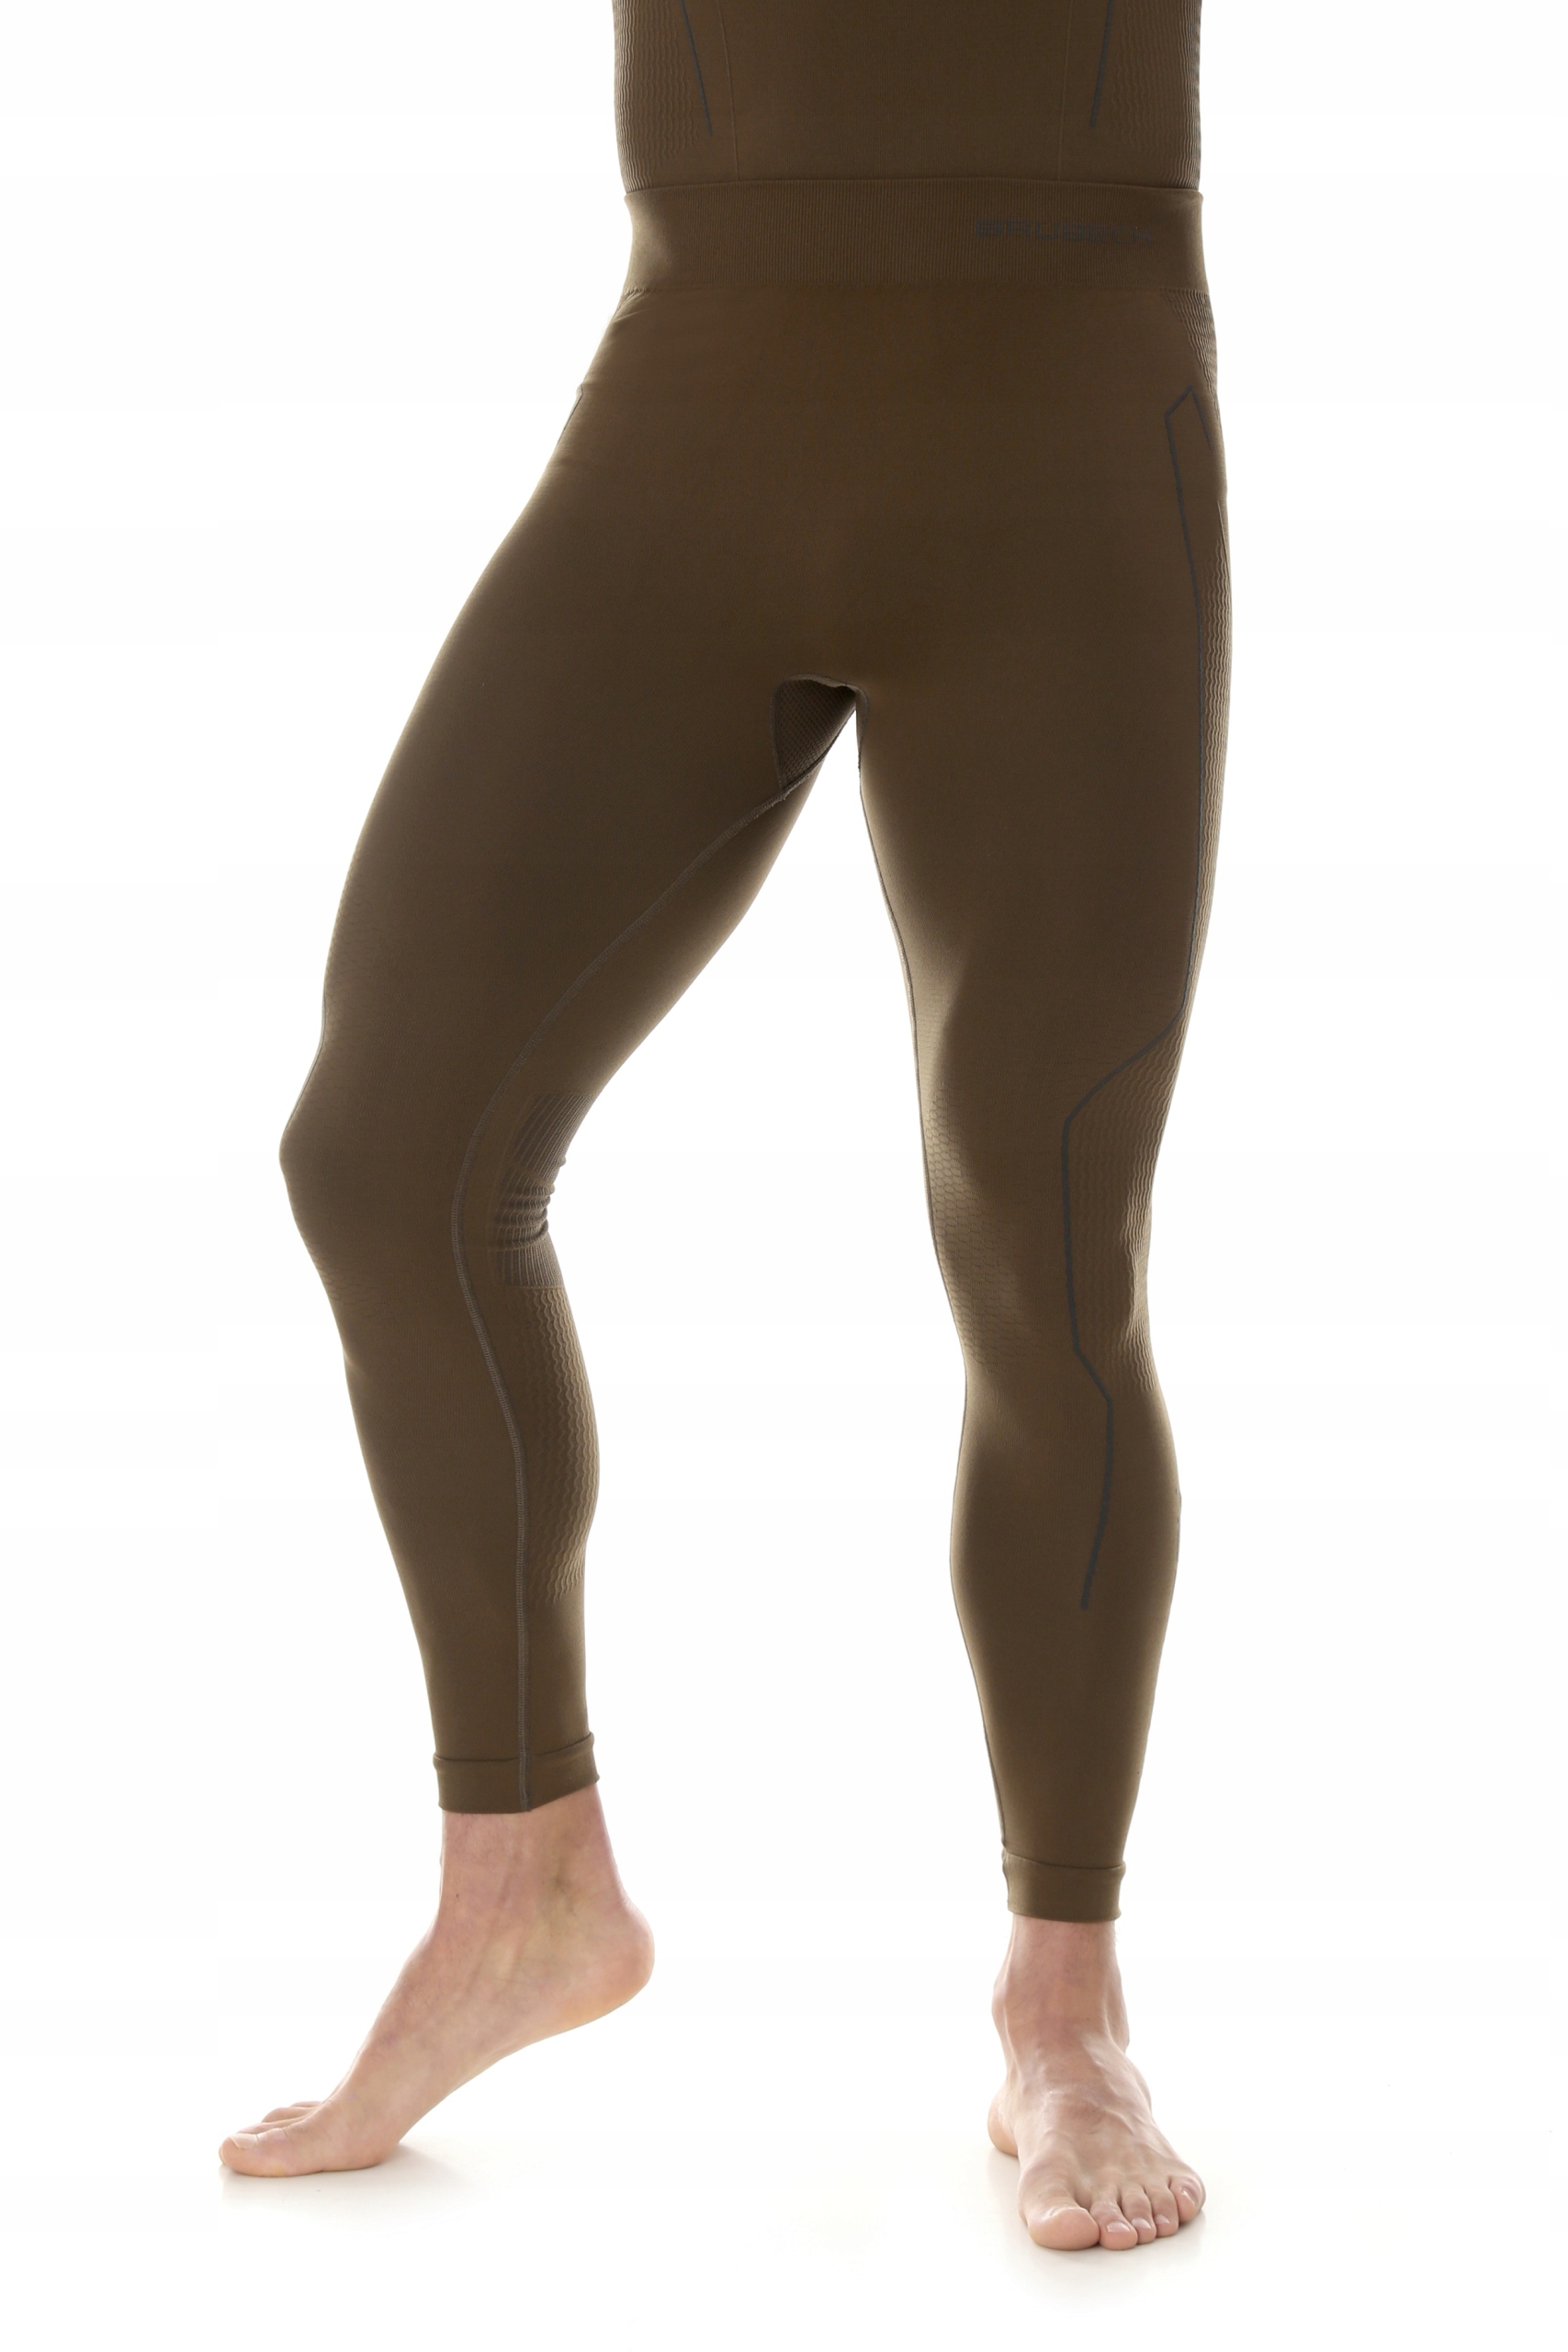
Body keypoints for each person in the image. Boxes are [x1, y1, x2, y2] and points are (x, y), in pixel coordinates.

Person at [220, 0, 1225, 2254]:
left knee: (1044, 1230)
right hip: (694, 395)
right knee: (383, 1151)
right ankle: (523, 1882)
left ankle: (1062, 2006)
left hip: (1064, 428)